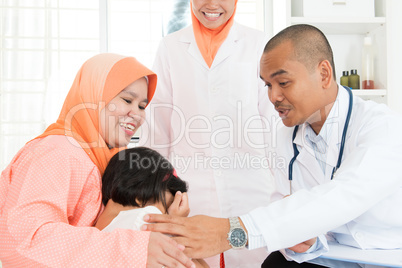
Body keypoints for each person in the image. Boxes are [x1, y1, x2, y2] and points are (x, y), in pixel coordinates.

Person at [141, 24, 402, 268]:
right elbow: (296, 215)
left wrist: (232, 231)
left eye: (283, 82)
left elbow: (343, 197)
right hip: (332, 257)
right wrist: (303, 240)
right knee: (275, 262)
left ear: (324, 74)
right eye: (267, 85)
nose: (273, 97)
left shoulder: (382, 127)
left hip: (387, 256)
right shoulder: (286, 136)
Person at [0, 53, 196, 268]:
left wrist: (169, 221)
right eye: (127, 100)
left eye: (142, 106)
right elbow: (25, 239)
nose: (138, 114)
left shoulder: (104, 161)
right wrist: (134, 249)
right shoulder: (58, 151)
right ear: (94, 98)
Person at [140, 1, 276, 266]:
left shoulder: (259, 44)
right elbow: (157, 132)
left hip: (252, 194)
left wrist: (284, 195)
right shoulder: (170, 48)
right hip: (190, 197)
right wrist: (153, 199)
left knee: (255, 258)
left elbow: (274, 129)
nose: (212, 4)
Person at [95, 146, 209, 268]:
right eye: (168, 207)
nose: (168, 215)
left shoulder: (97, 234)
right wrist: (176, 226)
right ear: (141, 194)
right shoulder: (144, 218)